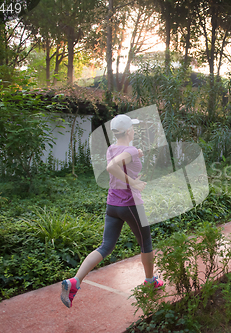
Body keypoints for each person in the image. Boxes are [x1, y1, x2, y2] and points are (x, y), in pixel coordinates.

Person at [61, 114, 163, 308]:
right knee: (146, 243)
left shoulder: (112, 148)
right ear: (129, 131)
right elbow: (112, 166)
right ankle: (151, 282)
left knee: (105, 246)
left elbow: (119, 160)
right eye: (133, 128)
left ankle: (75, 281)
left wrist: (137, 154)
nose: (135, 131)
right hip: (130, 204)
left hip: (112, 205)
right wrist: (134, 181)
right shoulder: (130, 149)